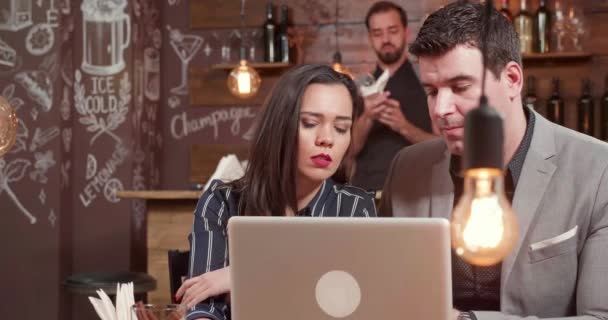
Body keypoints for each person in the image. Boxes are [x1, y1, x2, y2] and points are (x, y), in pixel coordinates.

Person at [380, 2, 608, 320]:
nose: (441, 108)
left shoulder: (598, 170)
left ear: (513, 79)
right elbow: (384, 292)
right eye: (431, 91)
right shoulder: (406, 168)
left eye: (459, 87)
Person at [176, 64, 377, 320]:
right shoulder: (222, 201)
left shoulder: (355, 208)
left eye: (341, 128)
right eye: (310, 123)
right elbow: (204, 307)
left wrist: (244, 275)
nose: (327, 139)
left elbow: (352, 301)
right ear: (280, 126)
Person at [351, 1, 436, 191]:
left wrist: (403, 127)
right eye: (378, 33)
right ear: (370, 38)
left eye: (393, 30)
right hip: (367, 194)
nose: (386, 39)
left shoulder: (428, 84)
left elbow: (444, 148)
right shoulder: (357, 89)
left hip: (416, 192)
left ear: (406, 33)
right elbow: (348, 150)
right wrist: (367, 117)